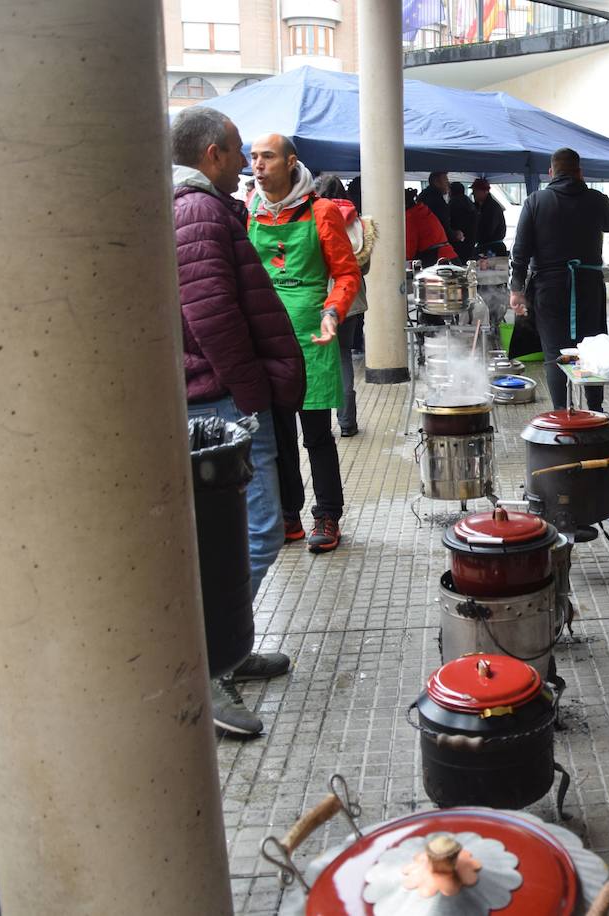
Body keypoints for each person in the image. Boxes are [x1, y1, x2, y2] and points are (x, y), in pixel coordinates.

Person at [170, 108, 305, 737]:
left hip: (224, 392)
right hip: (223, 397)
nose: (250, 163)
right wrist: (251, 391)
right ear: (216, 153)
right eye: (242, 152)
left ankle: (231, 646)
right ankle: (208, 662)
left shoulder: (205, 206)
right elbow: (211, 313)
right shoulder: (198, 209)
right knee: (256, 532)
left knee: (244, 534)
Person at [248, 133, 361, 554]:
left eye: (268, 157)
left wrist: (334, 310)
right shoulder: (250, 211)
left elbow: (347, 273)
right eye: (254, 157)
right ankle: (289, 515)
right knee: (277, 435)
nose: (258, 164)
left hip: (313, 337)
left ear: (291, 162)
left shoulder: (323, 211)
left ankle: (327, 514)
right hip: (266, 337)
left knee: (316, 434)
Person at [509, 148, 609, 412]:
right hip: (589, 289)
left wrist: (516, 289)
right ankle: (596, 411)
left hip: (549, 291)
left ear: (551, 173)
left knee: (554, 354)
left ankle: (562, 412)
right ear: (580, 172)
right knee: (593, 349)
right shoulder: (596, 199)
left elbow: (520, 250)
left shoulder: (536, 201)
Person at [314, 174, 375, 438]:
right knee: (344, 357)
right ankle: (347, 422)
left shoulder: (314, 217)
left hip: (320, 299)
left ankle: (319, 424)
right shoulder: (359, 224)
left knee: (320, 361)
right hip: (351, 299)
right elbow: (365, 268)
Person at [405, 191, 456, 267]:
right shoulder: (422, 210)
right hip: (449, 256)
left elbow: (409, 251)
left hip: (437, 261)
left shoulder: (410, 216)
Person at [471, 178, 508, 257]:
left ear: (485, 191)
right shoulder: (477, 206)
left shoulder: (492, 208)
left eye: (476, 191)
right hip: (484, 246)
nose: (473, 194)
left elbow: (488, 230)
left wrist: (474, 237)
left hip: (493, 249)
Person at [419, 171, 454, 253]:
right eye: (445, 180)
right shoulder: (436, 201)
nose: (448, 183)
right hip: (434, 247)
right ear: (436, 182)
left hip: (424, 245)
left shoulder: (423, 196)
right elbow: (442, 224)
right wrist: (454, 235)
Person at [449, 181, 479, 263]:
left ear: (451, 191)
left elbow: (450, 223)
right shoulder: (469, 203)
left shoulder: (453, 203)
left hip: (458, 243)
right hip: (471, 242)